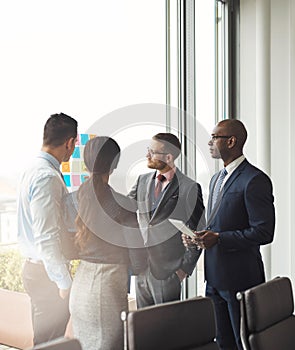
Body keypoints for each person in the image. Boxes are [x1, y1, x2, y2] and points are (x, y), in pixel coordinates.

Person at [183, 119, 275, 350]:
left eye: (215, 137)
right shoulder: (216, 179)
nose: (210, 142)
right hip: (213, 279)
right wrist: (197, 237)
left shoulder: (255, 180)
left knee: (243, 342)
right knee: (222, 342)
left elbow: (264, 232)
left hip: (241, 279)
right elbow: (216, 223)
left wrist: (220, 238)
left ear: (231, 141)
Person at [69, 136, 146, 350]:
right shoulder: (122, 204)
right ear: (114, 166)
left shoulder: (75, 197)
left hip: (82, 282)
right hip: (108, 284)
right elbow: (137, 250)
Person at [17, 113, 78, 345]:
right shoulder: (47, 177)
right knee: (50, 343)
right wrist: (63, 282)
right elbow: (46, 237)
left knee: (45, 340)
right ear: (69, 142)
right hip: (47, 275)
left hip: (37, 270)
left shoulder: (32, 168)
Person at [128, 132, 205, 308]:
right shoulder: (142, 180)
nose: (147, 155)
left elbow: (198, 231)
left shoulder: (189, 188)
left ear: (169, 157)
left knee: (166, 328)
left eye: (152, 151)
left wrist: (183, 270)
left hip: (169, 272)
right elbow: (125, 208)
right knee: (143, 326)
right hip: (141, 268)